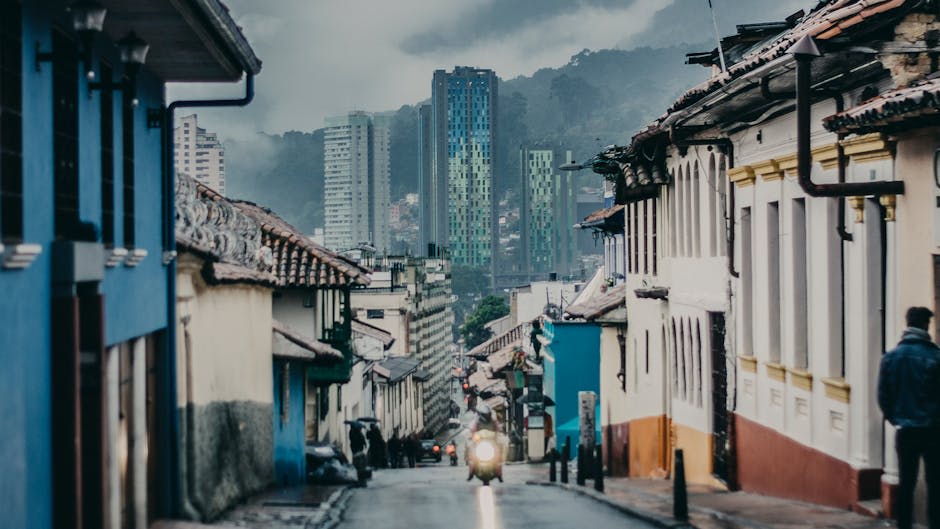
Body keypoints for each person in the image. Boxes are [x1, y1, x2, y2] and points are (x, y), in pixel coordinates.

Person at [878, 306, 940, 529]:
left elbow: (883, 396)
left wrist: (896, 419)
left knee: (906, 484)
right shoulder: (935, 357)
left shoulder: (891, 358)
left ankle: (903, 525)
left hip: (905, 431)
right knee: (935, 484)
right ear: (925, 325)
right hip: (932, 430)